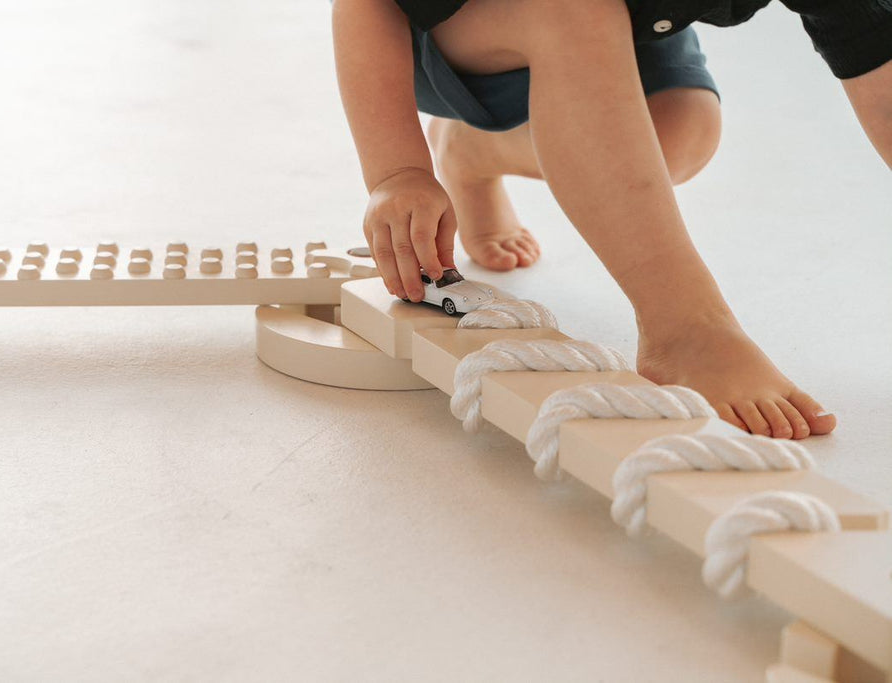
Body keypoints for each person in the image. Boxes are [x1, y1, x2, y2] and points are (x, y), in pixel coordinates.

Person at [330, 0, 892, 439]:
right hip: (445, 30)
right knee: (570, 9)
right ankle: (686, 327)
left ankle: (478, 150)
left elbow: (878, 64)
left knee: (683, 132)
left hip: (630, 18)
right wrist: (396, 172)